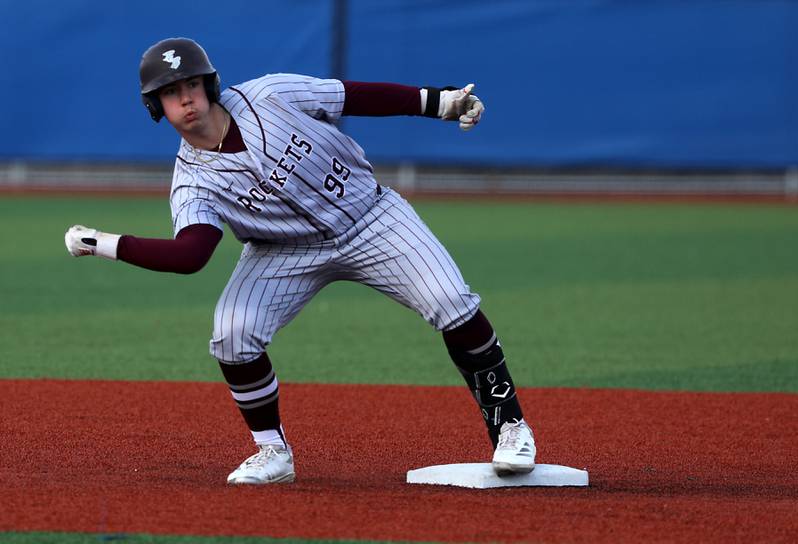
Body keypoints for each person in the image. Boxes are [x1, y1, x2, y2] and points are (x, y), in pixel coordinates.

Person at [65, 37, 535, 485]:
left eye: (190, 84)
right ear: (157, 107)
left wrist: (440, 103)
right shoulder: (192, 181)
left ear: (208, 84)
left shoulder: (268, 94)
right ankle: (272, 450)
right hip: (285, 252)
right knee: (232, 333)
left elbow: (352, 96)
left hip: (370, 215)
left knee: (450, 299)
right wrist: (104, 242)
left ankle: (510, 426)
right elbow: (192, 254)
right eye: (170, 92)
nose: (185, 99)